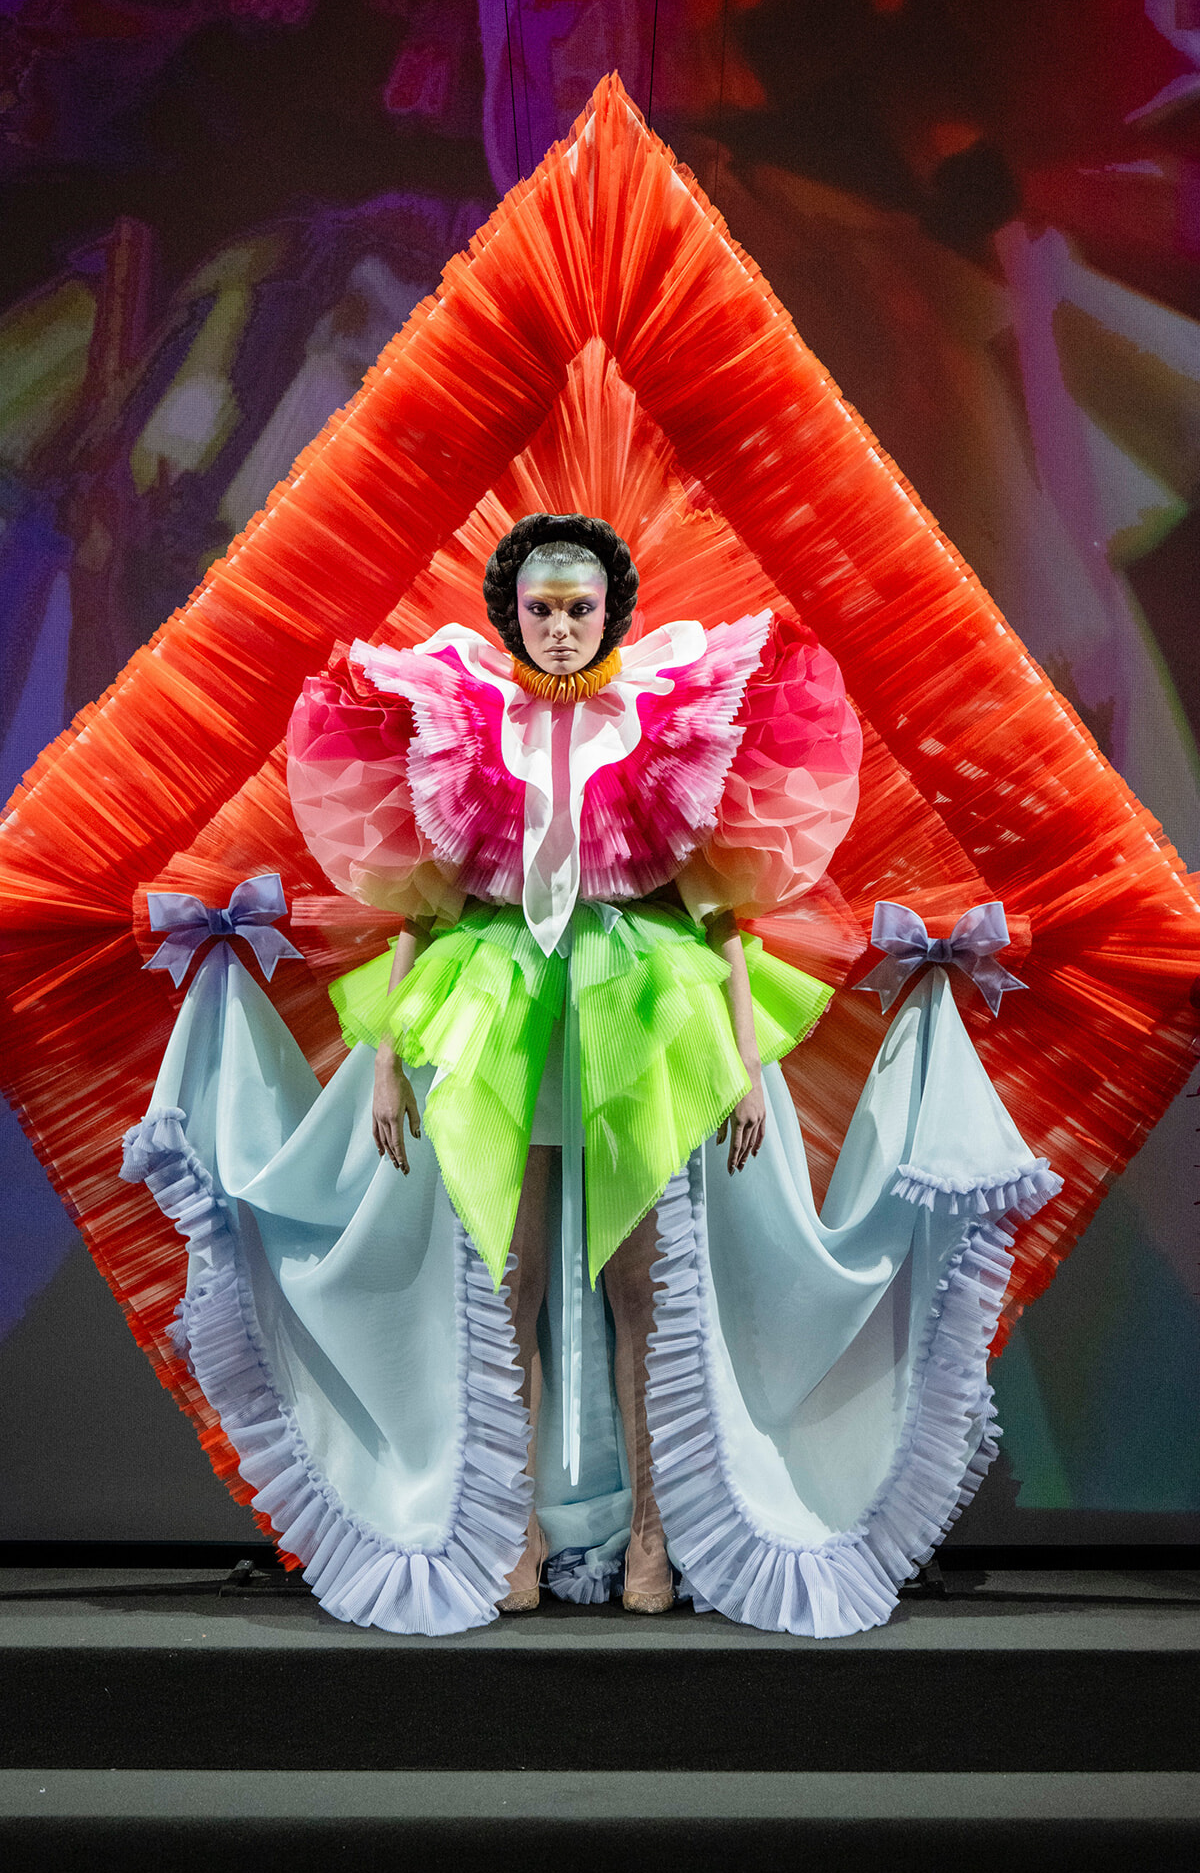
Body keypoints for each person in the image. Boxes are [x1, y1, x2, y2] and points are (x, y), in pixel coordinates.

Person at [122, 499, 1059, 1640]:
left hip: (638, 1016)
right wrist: (381, 1065)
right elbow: (420, 908)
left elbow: (721, 919)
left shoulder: (664, 723)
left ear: (612, 610)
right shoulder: (464, 728)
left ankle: (658, 1532)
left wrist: (748, 1063)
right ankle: (509, 1528)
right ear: (510, 615)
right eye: (540, 610)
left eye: (577, 609)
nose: (560, 629)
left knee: (641, 1290)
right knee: (506, 1278)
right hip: (498, 1012)